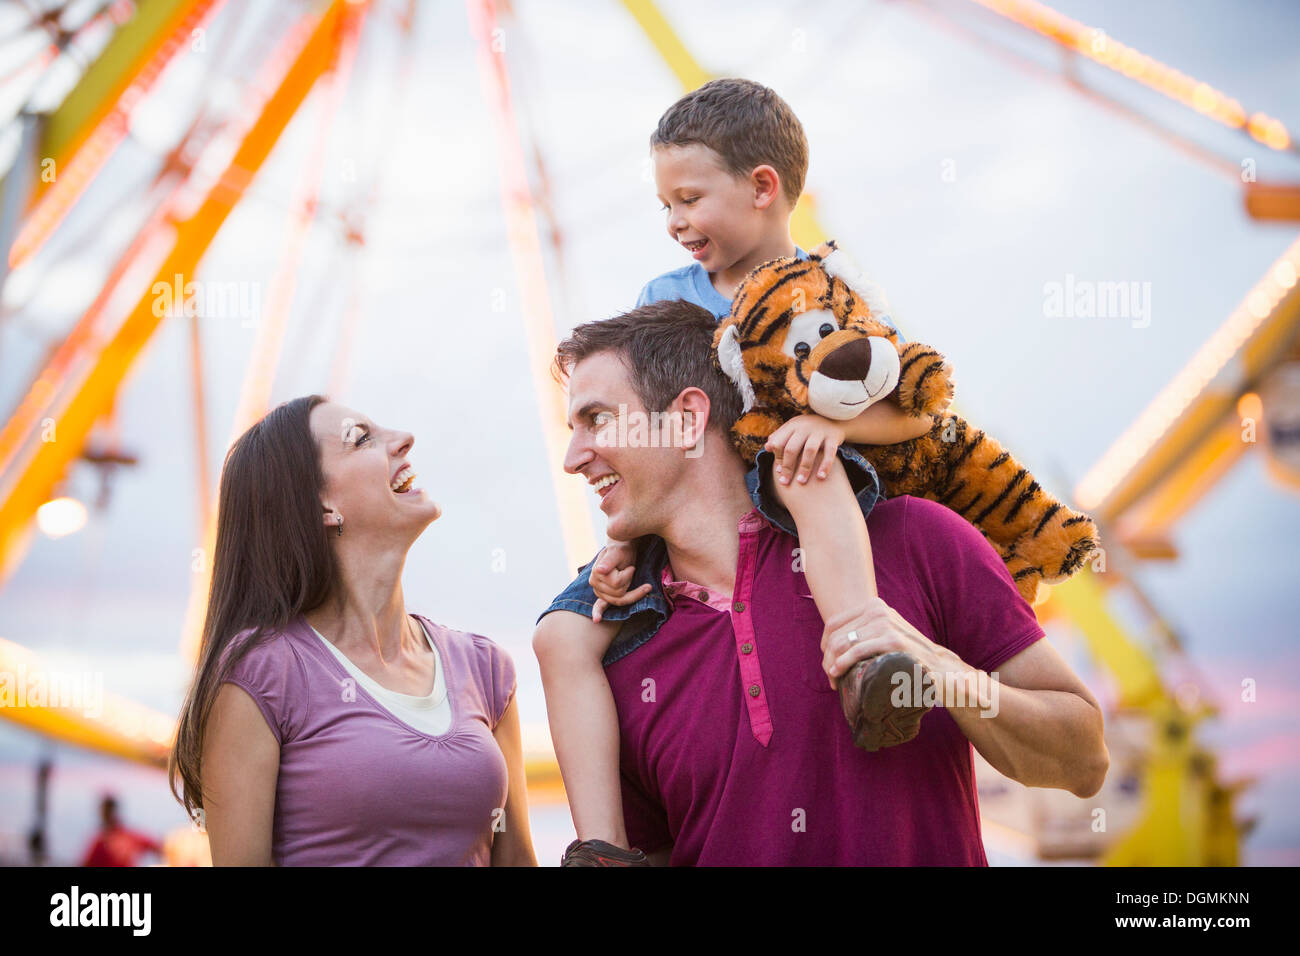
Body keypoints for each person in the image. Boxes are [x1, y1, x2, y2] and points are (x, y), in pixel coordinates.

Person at [539, 302, 1109, 865]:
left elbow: (1084, 759)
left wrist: (944, 672)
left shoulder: (915, 540)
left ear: (688, 417)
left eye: (597, 420)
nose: (572, 458)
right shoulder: (617, 657)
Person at [534, 78, 934, 865]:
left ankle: (862, 652)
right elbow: (645, 438)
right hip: (692, 508)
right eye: (664, 206)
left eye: (688, 199)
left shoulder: (834, 290)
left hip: (799, 479)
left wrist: (828, 420)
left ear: (762, 188)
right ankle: (603, 848)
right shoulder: (666, 299)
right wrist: (622, 545)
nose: (676, 222)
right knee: (558, 635)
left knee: (801, 467)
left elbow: (915, 404)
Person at [169, 396, 535, 866]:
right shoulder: (261, 673)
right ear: (321, 504)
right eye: (362, 438)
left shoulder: (484, 667)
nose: (404, 438)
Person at [80, 794, 162, 867]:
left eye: (109, 811)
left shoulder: (130, 836)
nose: (107, 815)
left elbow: (158, 848)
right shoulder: (98, 842)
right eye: (105, 812)